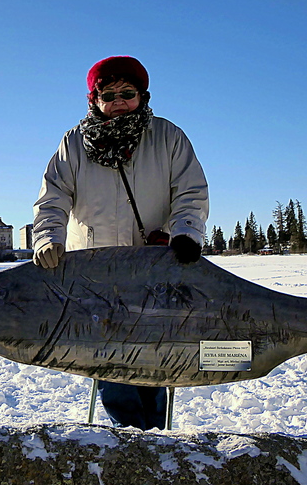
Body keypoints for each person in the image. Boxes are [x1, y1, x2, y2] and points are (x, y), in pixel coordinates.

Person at [31, 56, 209, 430]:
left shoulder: (168, 137)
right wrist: (48, 237)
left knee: (155, 355)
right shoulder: (73, 144)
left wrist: (186, 234)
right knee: (109, 362)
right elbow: (53, 197)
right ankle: (128, 439)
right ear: (93, 100)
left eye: (127, 93)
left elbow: (190, 193)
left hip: (155, 268)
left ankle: (155, 433)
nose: (118, 101)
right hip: (96, 275)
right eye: (107, 94)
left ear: (142, 96)